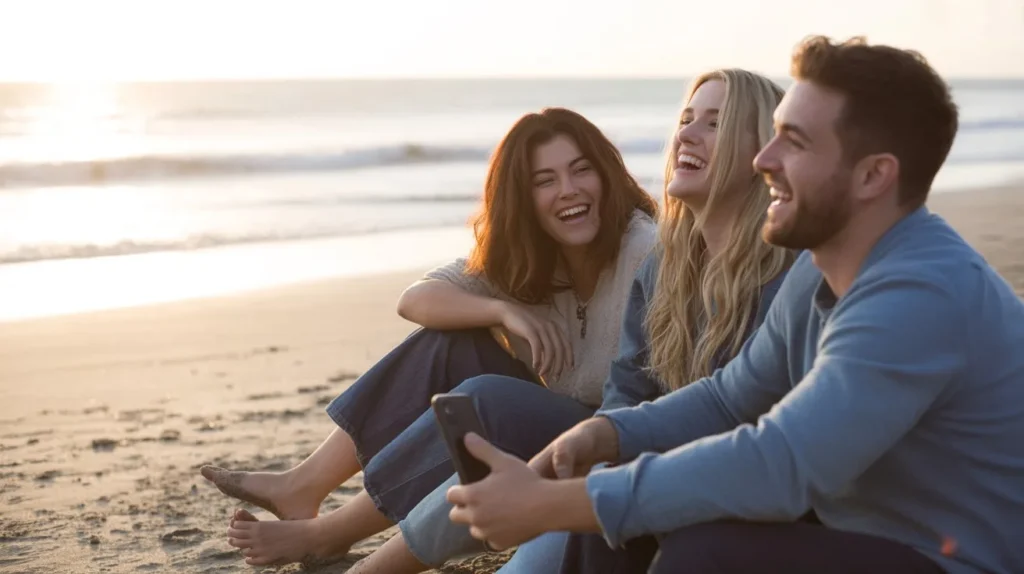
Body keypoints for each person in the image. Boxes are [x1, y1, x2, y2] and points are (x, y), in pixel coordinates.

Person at [445, 36, 1024, 574]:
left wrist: (553, 504)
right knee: (622, 509)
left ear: (873, 176)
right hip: (859, 539)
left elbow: (781, 464)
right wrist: (603, 436)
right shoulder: (821, 268)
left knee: (705, 551)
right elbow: (728, 398)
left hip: (950, 561)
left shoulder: (919, 294)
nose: (764, 159)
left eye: (794, 142)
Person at [342, 69, 797, 574]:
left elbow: (740, 418)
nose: (687, 134)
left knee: (508, 418)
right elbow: (627, 391)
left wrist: (581, 464)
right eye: (686, 119)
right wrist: (578, 453)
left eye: (715, 123)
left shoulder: (787, 274)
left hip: (716, 497)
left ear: (765, 153)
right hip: (629, 470)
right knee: (458, 362)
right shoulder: (664, 267)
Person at [200, 107, 660, 567]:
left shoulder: (645, 251)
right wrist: (504, 310)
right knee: (449, 345)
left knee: (483, 401)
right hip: (557, 424)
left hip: (613, 444)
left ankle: (329, 534)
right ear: (522, 198)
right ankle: (305, 486)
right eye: (545, 181)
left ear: (606, 175)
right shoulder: (529, 260)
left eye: (581, 170)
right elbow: (416, 299)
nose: (569, 189)